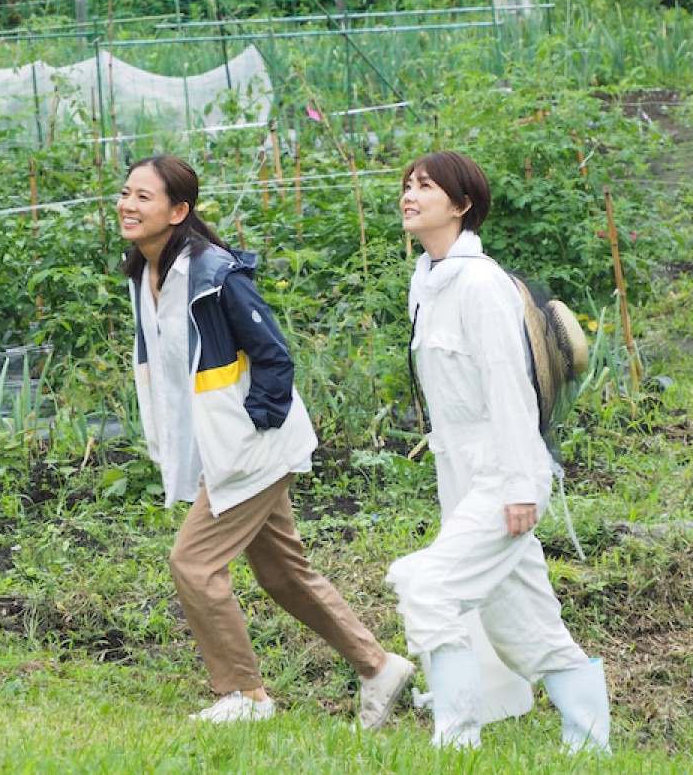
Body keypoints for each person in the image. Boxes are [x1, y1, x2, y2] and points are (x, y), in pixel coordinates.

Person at [116, 153, 415, 726]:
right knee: (282, 573)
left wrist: (251, 429)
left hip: (256, 445)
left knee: (194, 564)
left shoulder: (214, 273)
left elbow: (275, 357)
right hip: (227, 444)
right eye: (126, 193)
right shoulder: (146, 274)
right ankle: (378, 666)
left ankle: (245, 697)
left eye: (143, 197)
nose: (129, 205)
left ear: (178, 211)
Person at [387, 150, 611, 752]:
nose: (409, 195)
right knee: (521, 620)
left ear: (461, 206)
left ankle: (455, 740)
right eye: (407, 185)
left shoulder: (481, 284)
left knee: (427, 585)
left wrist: (517, 486)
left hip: (501, 471)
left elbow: (510, 388)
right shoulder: (428, 279)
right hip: (461, 470)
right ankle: (591, 744)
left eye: (425, 187)